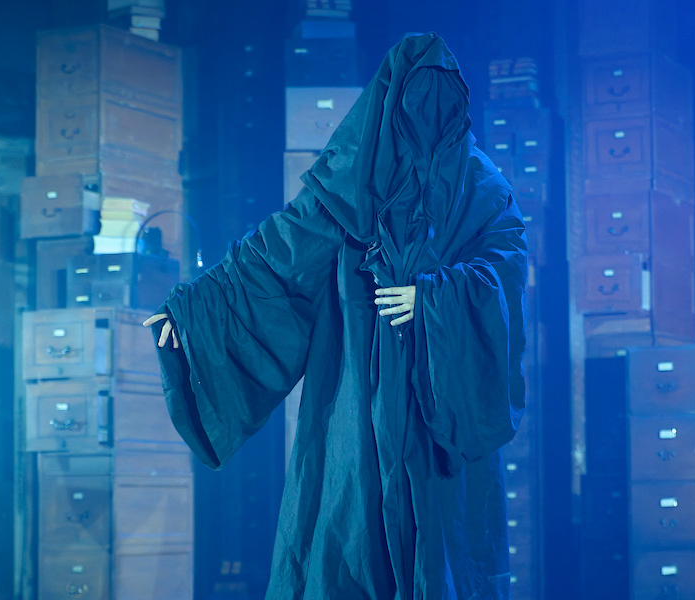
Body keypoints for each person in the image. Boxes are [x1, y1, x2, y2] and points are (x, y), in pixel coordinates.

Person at [143, 33, 528, 600]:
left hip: (439, 412)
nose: (428, 117)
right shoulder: (353, 176)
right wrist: (195, 309)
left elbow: (504, 270)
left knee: (439, 546)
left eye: (440, 102)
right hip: (356, 402)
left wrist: (433, 299)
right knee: (350, 536)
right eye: (416, 102)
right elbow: (278, 253)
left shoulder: (482, 187)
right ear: (390, 102)